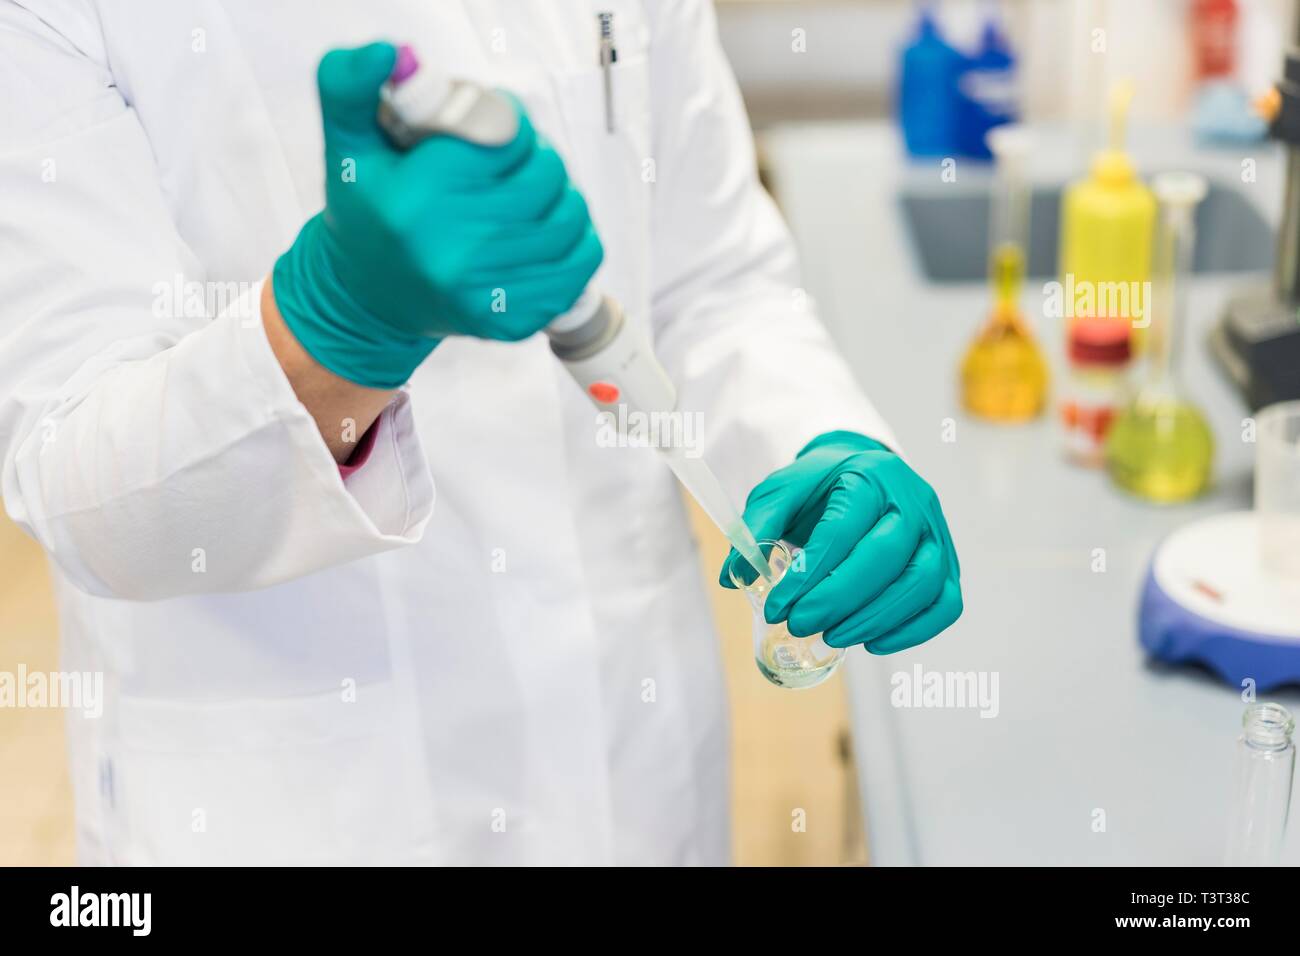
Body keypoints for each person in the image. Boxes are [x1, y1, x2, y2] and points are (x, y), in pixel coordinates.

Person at [0, 0, 960, 865]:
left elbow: (712, 276)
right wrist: (337, 326)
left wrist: (816, 438)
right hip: (309, 805)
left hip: (637, 758)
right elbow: (74, 467)